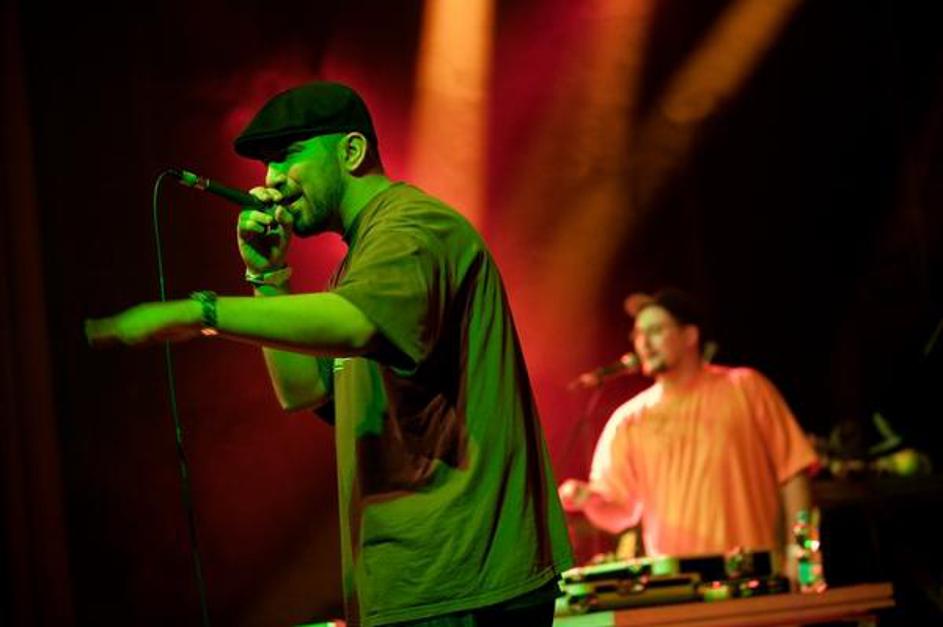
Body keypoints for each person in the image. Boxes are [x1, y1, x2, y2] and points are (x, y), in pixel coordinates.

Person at [85, 81, 572, 626]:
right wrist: (268, 277)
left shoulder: (412, 228)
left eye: (287, 155)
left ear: (352, 151)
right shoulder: (361, 259)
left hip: (466, 584)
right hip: (425, 582)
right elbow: (304, 390)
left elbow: (355, 324)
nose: (270, 179)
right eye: (267, 164)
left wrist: (201, 311)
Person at [559, 288, 816, 577]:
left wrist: (801, 555)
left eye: (656, 330)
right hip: (676, 582)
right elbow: (620, 514)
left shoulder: (746, 387)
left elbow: (794, 473)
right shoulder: (628, 420)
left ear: (690, 336)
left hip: (753, 573)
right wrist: (590, 499)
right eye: (638, 334)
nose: (644, 343)